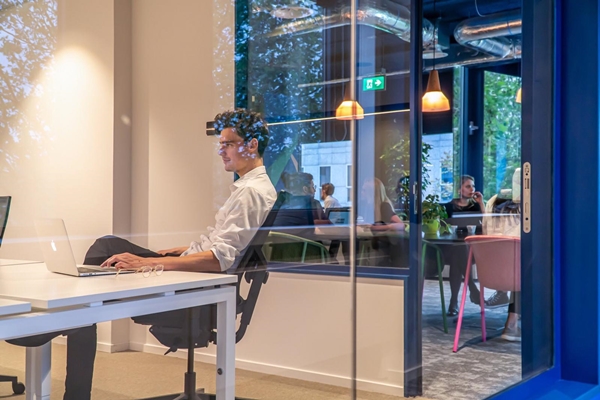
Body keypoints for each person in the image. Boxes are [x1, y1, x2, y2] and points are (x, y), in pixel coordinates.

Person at [57, 109, 276, 398]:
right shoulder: (249, 188)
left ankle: (72, 319)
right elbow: (222, 246)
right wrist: (179, 251)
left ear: (252, 145)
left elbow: (219, 259)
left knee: (106, 249)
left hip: (200, 288)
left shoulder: (251, 193)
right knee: (107, 249)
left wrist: (148, 262)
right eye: (220, 144)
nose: (221, 151)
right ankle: (77, 315)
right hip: (197, 276)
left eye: (228, 144)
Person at [445, 175, 485, 316]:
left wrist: (481, 203)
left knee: (459, 254)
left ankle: (454, 302)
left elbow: (486, 223)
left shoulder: (475, 206)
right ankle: (472, 288)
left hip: (470, 250)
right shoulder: (448, 207)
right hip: (450, 248)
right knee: (458, 251)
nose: (472, 189)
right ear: (459, 189)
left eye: (473, 186)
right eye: (468, 186)